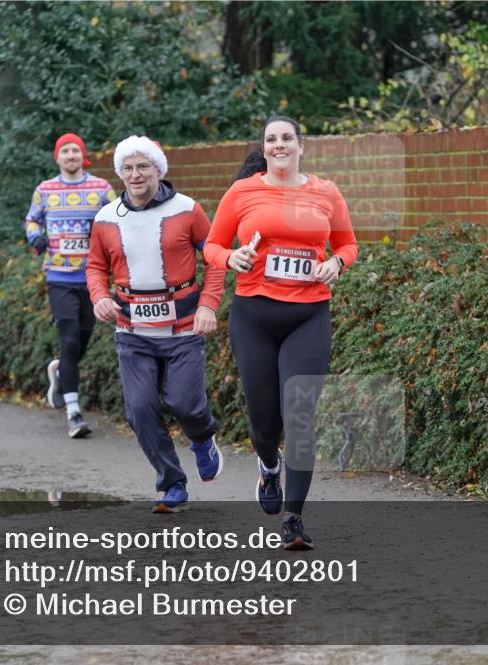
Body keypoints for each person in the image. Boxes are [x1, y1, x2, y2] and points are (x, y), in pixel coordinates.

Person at [204, 115, 358, 550]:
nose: (279, 145)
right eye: (271, 139)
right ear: (265, 148)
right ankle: (268, 464)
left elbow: (348, 244)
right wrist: (231, 259)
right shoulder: (243, 191)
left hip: (308, 315)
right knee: (265, 420)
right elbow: (212, 246)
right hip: (254, 316)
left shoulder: (326, 193)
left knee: (302, 416)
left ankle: (294, 518)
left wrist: (336, 263)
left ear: (300, 146)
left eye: (287, 138)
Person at [86, 135, 226, 513]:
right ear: (120, 173)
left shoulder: (188, 210)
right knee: (139, 409)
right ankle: (172, 483)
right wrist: (99, 297)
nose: (136, 174)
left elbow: (214, 258)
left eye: (143, 166)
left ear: (158, 170)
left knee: (185, 403)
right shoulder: (105, 218)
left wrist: (208, 305)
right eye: (128, 168)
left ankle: (201, 437)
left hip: (183, 326)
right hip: (132, 330)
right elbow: (96, 266)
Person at [25, 133, 116, 438]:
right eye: (65, 151)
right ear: (57, 157)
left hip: (92, 277)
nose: (70, 155)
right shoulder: (45, 189)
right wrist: (35, 237)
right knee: (70, 339)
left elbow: (118, 219)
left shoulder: (101, 189)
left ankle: (62, 373)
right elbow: (31, 220)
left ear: (82, 155)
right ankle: (74, 413)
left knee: (83, 340)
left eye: (75, 150)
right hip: (59, 277)